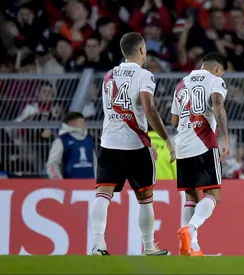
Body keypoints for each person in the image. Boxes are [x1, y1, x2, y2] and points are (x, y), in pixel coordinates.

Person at [90, 32, 175, 256]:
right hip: (136, 147)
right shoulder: (144, 75)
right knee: (145, 199)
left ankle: (98, 244)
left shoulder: (109, 75)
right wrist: (166, 139)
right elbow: (149, 108)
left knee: (102, 195)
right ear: (140, 51)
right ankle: (148, 246)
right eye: (145, 49)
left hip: (109, 144)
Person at [171, 52, 230, 257]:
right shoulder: (216, 81)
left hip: (182, 145)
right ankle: (191, 228)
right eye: (222, 73)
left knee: (191, 195)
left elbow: (174, 121)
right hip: (204, 144)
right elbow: (218, 105)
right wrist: (225, 139)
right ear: (217, 69)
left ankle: (191, 247)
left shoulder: (181, 84)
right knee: (214, 194)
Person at [46, 112, 96, 179]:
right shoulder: (62, 140)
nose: (85, 125)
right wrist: (59, 182)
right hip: (70, 185)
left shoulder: (88, 139)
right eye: (82, 123)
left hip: (90, 186)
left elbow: (95, 163)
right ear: (73, 124)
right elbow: (52, 164)